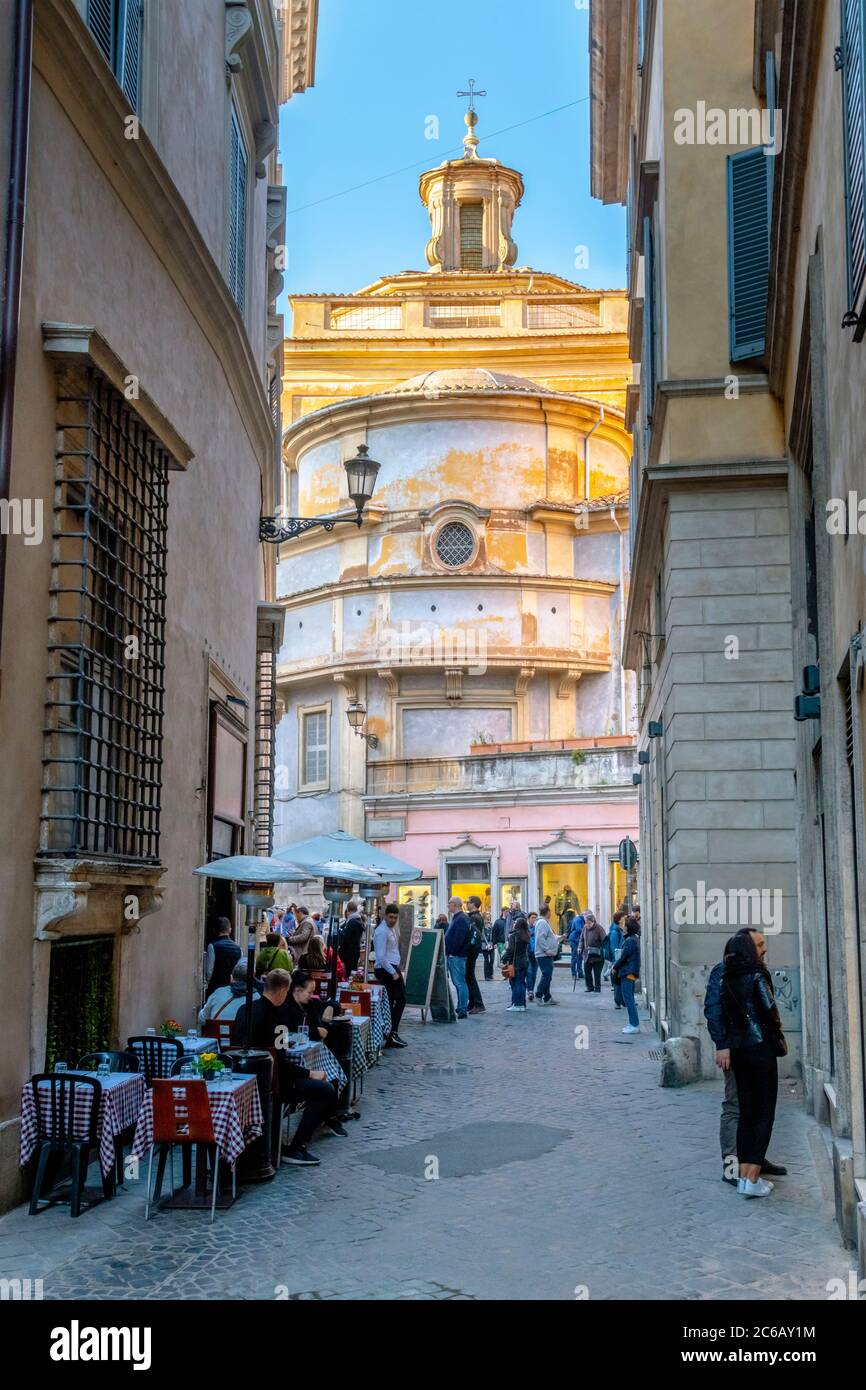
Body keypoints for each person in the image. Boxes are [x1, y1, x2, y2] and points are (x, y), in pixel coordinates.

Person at [234, 969, 342, 1164]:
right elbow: (281, 1060)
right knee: (325, 1090)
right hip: (272, 1083)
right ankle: (297, 1147)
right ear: (283, 990)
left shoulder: (245, 1010)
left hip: (241, 1079)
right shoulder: (277, 1020)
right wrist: (309, 1073)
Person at [704, 952, 788, 1187]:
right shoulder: (722, 972)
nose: (763, 950)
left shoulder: (754, 972)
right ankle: (731, 1166)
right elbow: (712, 1009)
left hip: (755, 1050)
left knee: (756, 1108)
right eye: (757, 945)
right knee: (734, 1105)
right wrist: (722, 1045)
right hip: (735, 1049)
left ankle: (755, 1159)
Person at [373, 903, 408, 1047]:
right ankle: (391, 1033)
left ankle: (391, 1032)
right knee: (399, 1000)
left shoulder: (392, 928)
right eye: (390, 917)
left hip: (392, 967)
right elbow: (380, 956)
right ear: (385, 916)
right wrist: (393, 973)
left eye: (395, 918)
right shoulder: (382, 931)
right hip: (386, 969)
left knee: (395, 1000)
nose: (393, 920)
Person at [198, 959, 260, 1025]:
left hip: (218, 1035)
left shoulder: (219, 993)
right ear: (253, 980)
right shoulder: (257, 998)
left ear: (231, 978)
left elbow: (202, 1019)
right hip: (242, 1035)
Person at [611, 915, 641, 1033]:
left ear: (628, 927)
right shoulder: (632, 939)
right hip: (629, 971)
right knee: (629, 999)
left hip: (628, 972)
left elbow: (623, 958)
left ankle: (634, 1024)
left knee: (628, 999)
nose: (622, 926)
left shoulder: (630, 941)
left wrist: (615, 967)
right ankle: (632, 1023)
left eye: (624, 925)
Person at [444, 896, 471, 1019]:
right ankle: (461, 1007)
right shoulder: (457, 918)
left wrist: (452, 952)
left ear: (455, 904)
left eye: (449, 903)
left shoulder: (461, 919)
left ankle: (462, 1009)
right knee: (458, 982)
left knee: (460, 983)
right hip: (455, 956)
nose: (448, 905)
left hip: (457, 956)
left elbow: (459, 939)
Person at [204, 918, 242, 998]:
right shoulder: (238, 948)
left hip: (216, 988)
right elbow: (240, 970)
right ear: (230, 930)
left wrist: (207, 983)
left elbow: (209, 972)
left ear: (215, 930)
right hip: (232, 989)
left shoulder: (212, 946)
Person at [502, 915, 531, 1012]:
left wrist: (504, 959)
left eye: (515, 923)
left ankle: (517, 1004)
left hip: (516, 963)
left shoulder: (514, 936)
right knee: (522, 983)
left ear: (518, 925)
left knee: (516, 983)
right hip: (524, 961)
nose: (513, 924)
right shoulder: (526, 934)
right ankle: (521, 1004)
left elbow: (510, 950)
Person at [533, 905, 560, 1004]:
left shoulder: (543, 923)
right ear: (548, 912)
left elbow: (549, 936)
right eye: (550, 911)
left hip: (545, 954)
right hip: (543, 954)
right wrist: (547, 950)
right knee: (547, 975)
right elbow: (540, 938)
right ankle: (539, 994)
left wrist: (560, 937)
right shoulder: (542, 923)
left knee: (547, 975)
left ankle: (547, 997)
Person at [465, 895, 486, 1013]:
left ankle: (478, 1003)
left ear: (473, 904)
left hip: (471, 951)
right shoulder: (475, 916)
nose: (466, 904)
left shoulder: (475, 918)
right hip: (473, 950)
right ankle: (472, 1002)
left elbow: (472, 935)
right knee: (468, 977)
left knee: (470, 977)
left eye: (468, 902)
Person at [339, 900, 365, 977]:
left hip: (349, 952)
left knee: (349, 973)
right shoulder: (358, 919)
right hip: (354, 951)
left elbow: (346, 937)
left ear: (348, 910)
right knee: (352, 972)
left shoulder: (352, 921)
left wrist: (339, 931)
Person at [582, 912, 606, 993]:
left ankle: (597, 988)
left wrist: (601, 949)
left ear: (593, 922)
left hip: (598, 956)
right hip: (587, 954)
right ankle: (589, 987)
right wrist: (579, 948)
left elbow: (605, 941)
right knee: (586, 970)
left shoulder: (599, 929)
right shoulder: (584, 928)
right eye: (586, 923)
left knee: (597, 973)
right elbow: (581, 939)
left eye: (589, 923)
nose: (587, 925)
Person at [607, 909, 626, 998]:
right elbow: (614, 948)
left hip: (621, 959)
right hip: (618, 959)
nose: (625, 918)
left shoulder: (620, 930)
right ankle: (618, 1001)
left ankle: (620, 999)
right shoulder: (615, 932)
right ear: (619, 920)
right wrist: (616, 962)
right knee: (617, 983)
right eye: (623, 917)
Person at [567, 909, 585, 982]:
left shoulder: (581, 920)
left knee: (580, 957)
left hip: (578, 940)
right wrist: (586, 929)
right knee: (575, 957)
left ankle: (580, 973)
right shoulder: (578, 919)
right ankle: (574, 974)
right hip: (574, 940)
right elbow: (578, 929)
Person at [525, 911, 539, 1000]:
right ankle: (530, 991)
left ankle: (531, 990)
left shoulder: (538, 928)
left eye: (535, 918)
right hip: (527, 953)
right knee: (529, 972)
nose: (534, 919)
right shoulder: (525, 928)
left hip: (536, 954)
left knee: (534, 973)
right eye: (532, 918)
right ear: (528, 919)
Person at [481, 912, 496, 981]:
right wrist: (487, 944)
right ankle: (486, 976)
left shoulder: (491, 926)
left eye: (489, 918)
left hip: (491, 944)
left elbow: (493, 935)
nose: (488, 919)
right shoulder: (482, 927)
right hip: (484, 945)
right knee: (486, 960)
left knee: (492, 959)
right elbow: (482, 936)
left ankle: (490, 974)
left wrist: (494, 943)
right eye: (487, 918)